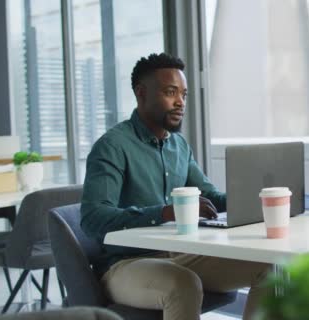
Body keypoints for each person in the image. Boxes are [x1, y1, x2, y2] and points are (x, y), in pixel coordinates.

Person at [81, 53, 270, 320]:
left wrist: (255, 199)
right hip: (124, 265)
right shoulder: (113, 146)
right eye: (171, 92)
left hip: (178, 256)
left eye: (183, 94)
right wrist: (164, 213)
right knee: (182, 284)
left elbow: (210, 197)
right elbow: (92, 218)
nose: (180, 101)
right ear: (141, 93)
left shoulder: (179, 146)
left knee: (271, 268)